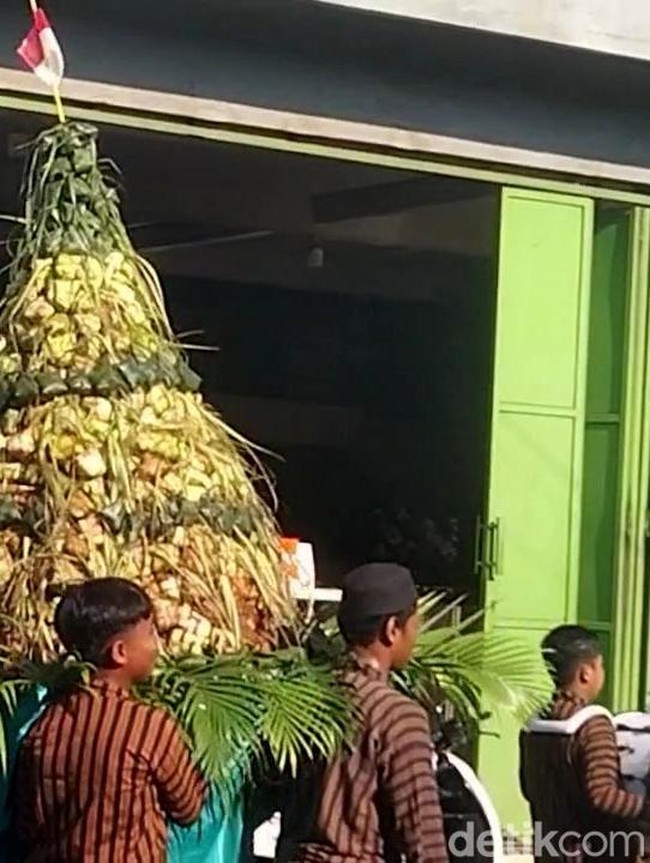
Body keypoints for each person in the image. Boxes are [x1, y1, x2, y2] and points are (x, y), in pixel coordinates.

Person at [10, 577, 206, 862]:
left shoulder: (43, 726)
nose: (157, 645)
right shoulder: (149, 728)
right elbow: (188, 808)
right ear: (120, 652)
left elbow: (25, 824)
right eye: (150, 633)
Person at [276, 562, 449, 863]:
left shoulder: (304, 700)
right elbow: (424, 838)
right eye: (415, 623)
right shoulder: (398, 717)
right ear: (392, 629)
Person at [519, 625, 650, 863]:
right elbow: (602, 795)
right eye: (600, 666)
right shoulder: (593, 725)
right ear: (586, 673)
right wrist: (644, 809)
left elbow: (527, 788)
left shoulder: (533, 725)